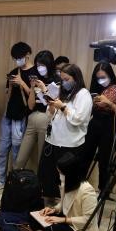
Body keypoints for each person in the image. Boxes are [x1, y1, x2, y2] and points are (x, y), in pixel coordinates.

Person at [0, 151, 99, 231]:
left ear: (70, 174)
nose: (60, 176)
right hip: (65, 220)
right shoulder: (67, 184)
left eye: (61, 173)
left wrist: (63, 220)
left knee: (53, 229)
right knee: (34, 214)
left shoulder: (87, 191)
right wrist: (53, 209)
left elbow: (88, 220)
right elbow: (63, 204)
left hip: (79, 230)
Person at [38, 63, 93, 200]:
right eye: (62, 79)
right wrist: (52, 107)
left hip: (70, 144)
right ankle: (51, 201)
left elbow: (78, 119)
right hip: (53, 140)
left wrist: (62, 107)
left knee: (67, 180)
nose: (64, 82)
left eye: (67, 79)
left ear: (76, 78)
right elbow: (51, 115)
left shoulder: (83, 94)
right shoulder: (62, 92)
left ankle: (65, 206)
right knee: (47, 175)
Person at [0, 42, 37, 191]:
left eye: (19, 57)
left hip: (22, 116)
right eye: (15, 58)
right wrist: (10, 85)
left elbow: (35, 97)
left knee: (17, 152)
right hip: (8, 114)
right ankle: (1, 180)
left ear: (27, 55)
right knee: (2, 150)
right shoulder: (14, 71)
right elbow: (8, 96)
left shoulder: (35, 73)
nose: (17, 60)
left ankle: (13, 182)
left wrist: (22, 83)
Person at [81, 62, 116, 191]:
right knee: (85, 155)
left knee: (105, 160)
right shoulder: (95, 88)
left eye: (103, 77)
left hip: (109, 124)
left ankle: (104, 191)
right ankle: (79, 186)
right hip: (94, 123)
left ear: (110, 75)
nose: (101, 80)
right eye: (98, 78)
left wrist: (108, 103)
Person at [14, 50, 56, 170]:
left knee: (42, 159)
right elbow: (30, 105)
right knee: (20, 158)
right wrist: (32, 87)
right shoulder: (37, 78)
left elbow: (53, 105)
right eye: (38, 65)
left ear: (49, 65)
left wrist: (43, 89)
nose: (39, 68)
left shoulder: (56, 80)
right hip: (32, 118)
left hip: (47, 118)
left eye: (42, 65)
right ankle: (15, 178)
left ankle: (41, 181)